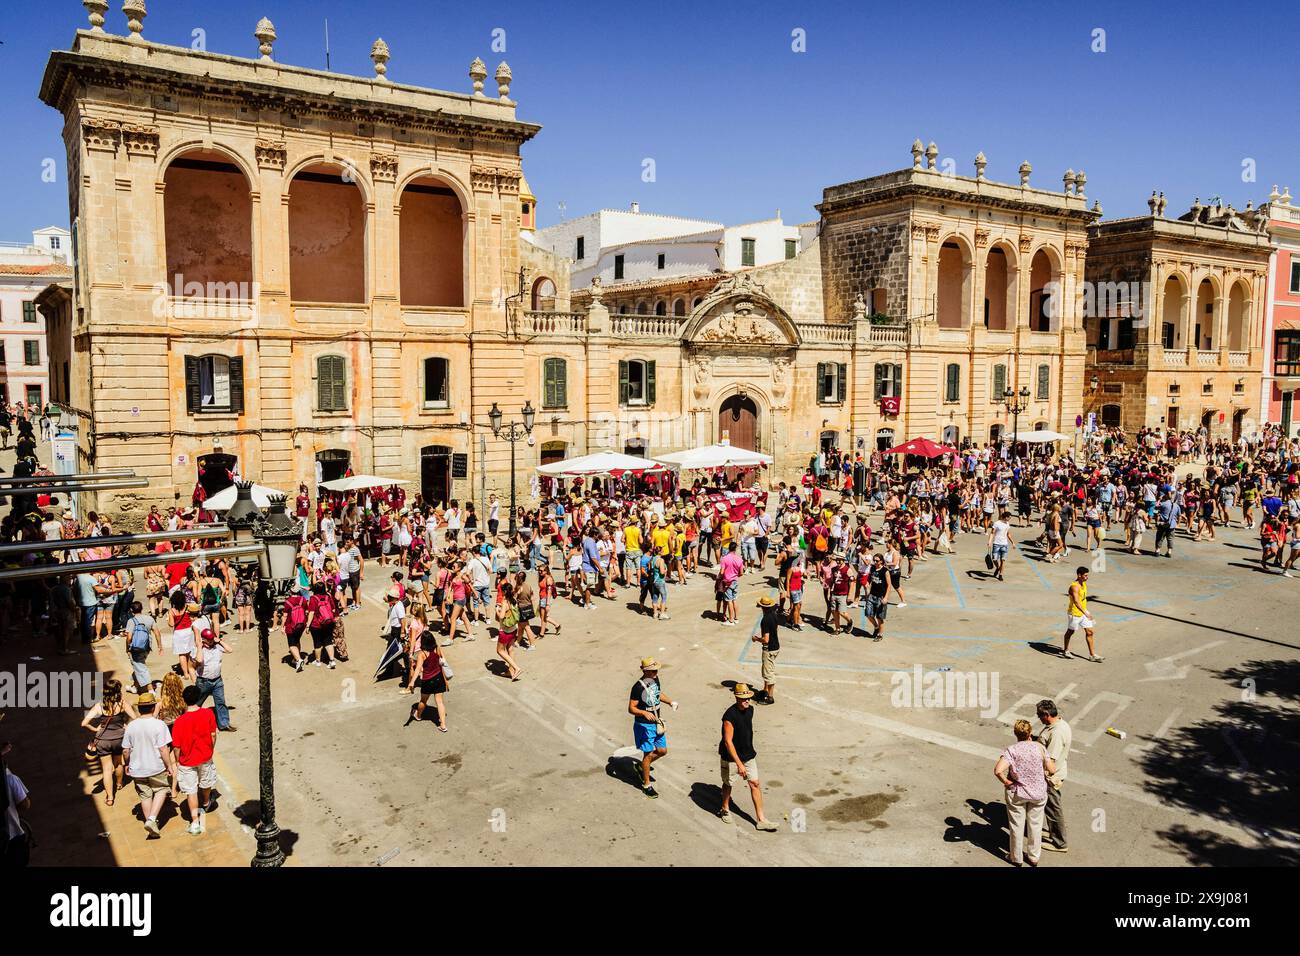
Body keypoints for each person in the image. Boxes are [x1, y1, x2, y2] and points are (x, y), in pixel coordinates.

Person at [993, 719, 1056, 867]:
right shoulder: (1040, 748)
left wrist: (1007, 782)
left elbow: (997, 770)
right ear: (1030, 733)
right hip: (1038, 793)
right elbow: (1052, 769)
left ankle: (1016, 857)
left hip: (1018, 792)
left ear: (1016, 734)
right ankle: (1034, 857)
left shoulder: (1012, 750)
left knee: (1016, 825)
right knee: (1035, 824)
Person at [718, 683, 779, 830]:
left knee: (755, 784)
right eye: (744, 698)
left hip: (748, 754)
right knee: (728, 783)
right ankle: (724, 809)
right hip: (731, 757)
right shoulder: (729, 716)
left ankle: (761, 820)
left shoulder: (750, 710)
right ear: (737, 697)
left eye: (748, 697)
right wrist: (739, 764)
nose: (747, 700)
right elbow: (728, 742)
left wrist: (746, 757)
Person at [121, 691, 176, 838]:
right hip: (155, 766)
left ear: (139, 709)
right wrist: (169, 766)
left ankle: (152, 826)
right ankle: (152, 819)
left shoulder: (131, 726)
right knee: (162, 789)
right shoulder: (159, 725)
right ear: (153, 707)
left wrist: (127, 764)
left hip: (137, 769)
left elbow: (126, 750)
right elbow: (163, 749)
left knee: (145, 795)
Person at [171, 684, 218, 835]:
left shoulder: (179, 721)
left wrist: (178, 760)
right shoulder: (208, 714)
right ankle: (205, 801)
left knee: (191, 791)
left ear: (184, 700)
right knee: (205, 782)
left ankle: (195, 822)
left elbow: (176, 746)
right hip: (205, 755)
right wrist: (210, 748)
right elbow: (213, 735)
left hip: (187, 760)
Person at [629, 657, 677, 799]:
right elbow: (631, 708)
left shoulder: (655, 679)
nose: (656, 672)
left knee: (662, 751)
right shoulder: (637, 687)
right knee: (648, 754)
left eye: (656, 670)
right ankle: (646, 785)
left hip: (656, 723)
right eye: (652, 670)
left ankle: (642, 766)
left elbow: (658, 693)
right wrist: (644, 712)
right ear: (645, 670)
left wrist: (670, 701)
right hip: (644, 725)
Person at [81, 680, 134, 806]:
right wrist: (126, 726)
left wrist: (95, 729)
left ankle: (110, 797)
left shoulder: (99, 706)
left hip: (103, 741)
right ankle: (119, 783)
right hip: (119, 739)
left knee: (106, 769)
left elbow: (83, 723)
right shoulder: (122, 703)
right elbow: (135, 718)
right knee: (118, 763)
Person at [1036, 699, 1072, 854]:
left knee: (1053, 809)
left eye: (1039, 715)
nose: (1038, 718)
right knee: (1049, 807)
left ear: (1046, 714)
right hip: (1057, 772)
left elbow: (1050, 762)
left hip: (1051, 777)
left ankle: (1060, 843)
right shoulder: (1059, 724)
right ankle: (1053, 832)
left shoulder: (1056, 733)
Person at [406, 632, 449, 732]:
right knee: (440, 702)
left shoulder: (422, 654)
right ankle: (443, 725)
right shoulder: (437, 648)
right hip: (439, 677)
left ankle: (418, 715)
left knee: (423, 701)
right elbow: (443, 660)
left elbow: (417, 669)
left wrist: (412, 682)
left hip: (428, 680)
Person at [194, 628, 235, 732]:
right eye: (209, 639)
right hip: (203, 681)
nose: (212, 641)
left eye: (212, 639)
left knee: (221, 702)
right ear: (204, 640)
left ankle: (224, 724)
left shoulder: (217, 646)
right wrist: (199, 647)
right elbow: (199, 660)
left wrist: (220, 641)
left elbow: (230, 650)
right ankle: (192, 725)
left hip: (217, 680)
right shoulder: (199, 649)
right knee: (196, 704)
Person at [1062, 566, 1102, 662]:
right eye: (1085, 575)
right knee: (1070, 632)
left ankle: (1092, 655)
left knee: (1090, 632)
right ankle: (1066, 650)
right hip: (1074, 613)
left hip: (1083, 611)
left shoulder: (1083, 584)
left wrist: (1085, 611)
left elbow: (1082, 599)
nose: (1087, 577)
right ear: (1079, 575)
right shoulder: (1074, 587)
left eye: (1087, 575)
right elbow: (1076, 602)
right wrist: (1086, 613)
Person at [125, 601, 161, 693]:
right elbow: (157, 633)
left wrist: (127, 648)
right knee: (138, 665)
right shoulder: (149, 619)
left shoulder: (131, 621)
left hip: (135, 648)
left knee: (141, 667)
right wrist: (160, 646)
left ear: (131, 610)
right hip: (146, 647)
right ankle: (135, 687)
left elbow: (129, 637)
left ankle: (150, 690)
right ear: (142, 609)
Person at [493, 582, 523, 681]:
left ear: (505, 591)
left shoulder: (505, 601)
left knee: (500, 650)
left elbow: (501, 616)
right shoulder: (514, 599)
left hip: (505, 630)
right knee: (510, 649)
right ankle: (510, 671)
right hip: (513, 628)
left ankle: (516, 668)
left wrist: (497, 609)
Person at [752, 597, 779, 704]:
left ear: (762, 607)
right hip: (776, 646)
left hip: (769, 649)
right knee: (766, 669)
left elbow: (765, 639)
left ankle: (770, 697)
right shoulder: (774, 615)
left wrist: (756, 639)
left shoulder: (765, 620)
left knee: (768, 673)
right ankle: (765, 690)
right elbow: (776, 630)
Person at [863, 553, 889, 642]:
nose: (875, 562)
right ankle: (876, 627)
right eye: (874, 560)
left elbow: (889, 585)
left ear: (881, 561)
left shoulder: (885, 571)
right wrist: (867, 584)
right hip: (872, 595)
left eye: (877, 561)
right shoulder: (873, 568)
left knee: (879, 617)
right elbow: (869, 579)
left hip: (880, 597)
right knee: (868, 614)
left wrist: (886, 597)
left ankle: (880, 634)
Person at [718, 541, 743, 626]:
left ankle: (731, 620)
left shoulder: (724, 558)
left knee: (729, 601)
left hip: (727, 582)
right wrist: (735, 575)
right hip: (735, 581)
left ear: (729, 548)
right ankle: (736, 618)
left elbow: (721, 572)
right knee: (734, 599)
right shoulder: (739, 559)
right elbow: (741, 573)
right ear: (735, 549)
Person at [987, 510, 1013, 581]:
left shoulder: (1007, 524)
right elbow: (992, 533)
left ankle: (1000, 574)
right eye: (1009, 518)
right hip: (996, 543)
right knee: (994, 559)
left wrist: (1012, 542)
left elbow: (1008, 534)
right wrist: (989, 541)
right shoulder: (997, 523)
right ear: (1006, 517)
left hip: (1004, 544)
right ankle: (998, 567)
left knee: (1003, 560)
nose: (1009, 519)